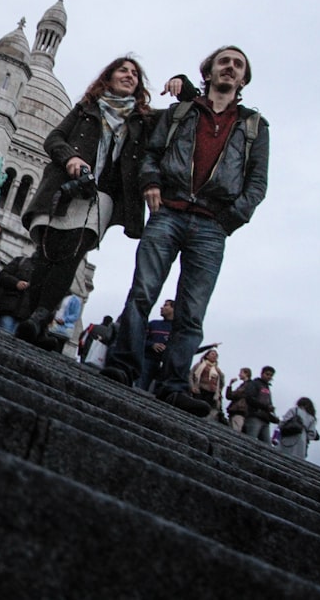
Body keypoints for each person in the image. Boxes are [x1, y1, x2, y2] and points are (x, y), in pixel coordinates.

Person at [101, 46, 269, 416]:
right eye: (223, 62)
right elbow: (151, 153)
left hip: (212, 226)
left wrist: (229, 220)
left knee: (191, 312)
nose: (230, 68)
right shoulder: (182, 111)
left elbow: (257, 184)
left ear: (243, 80)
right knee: (143, 293)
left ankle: (174, 385)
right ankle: (124, 365)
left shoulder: (255, 126)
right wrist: (150, 183)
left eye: (238, 65)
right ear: (208, 72)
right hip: (168, 212)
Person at [16, 57, 163, 347]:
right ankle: (34, 321)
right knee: (46, 254)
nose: (130, 75)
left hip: (102, 196)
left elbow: (177, 117)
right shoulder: (85, 109)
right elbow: (54, 138)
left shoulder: (144, 120)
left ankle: (39, 318)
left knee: (71, 254)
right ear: (108, 78)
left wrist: (182, 85)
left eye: (135, 74)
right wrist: (70, 157)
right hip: (65, 187)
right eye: (123, 70)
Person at [134, 299, 174, 392]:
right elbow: (140, 339)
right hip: (148, 360)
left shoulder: (179, 330)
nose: (162, 307)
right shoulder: (153, 324)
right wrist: (152, 345)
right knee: (140, 387)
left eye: (166, 305)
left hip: (166, 365)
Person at [0, 255, 34, 334]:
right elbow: (2, 275)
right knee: (3, 336)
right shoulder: (21, 260)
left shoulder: (47, 272)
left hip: (27, 316)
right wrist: (16, 283)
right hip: (9, 308)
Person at [241, 366, 279, 443]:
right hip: (254, 416)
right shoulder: (254, 383)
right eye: (267, 374)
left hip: (265, 418)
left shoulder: (267, 388)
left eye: (271, 375)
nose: (269, 377)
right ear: (262, 374)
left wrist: (272, 416)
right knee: (251, 440)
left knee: (267, 444)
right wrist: (266, 407)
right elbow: (250, 398)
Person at [189, 348, 225, 422]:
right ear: (207, 356)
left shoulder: (217, 369)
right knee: (197, 407)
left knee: (208, 410)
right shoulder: (199, 365)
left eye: (216, 355)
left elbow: (221, 382)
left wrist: (218, 391)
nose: (214, 356)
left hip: (211, 393)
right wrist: (192, 386)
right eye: (212, 354)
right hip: (200, 390)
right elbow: (191, 375)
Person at [224, 367, 252, 432]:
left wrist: (230, 386)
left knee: (235, 430)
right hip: (235, 411)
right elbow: (229, 396)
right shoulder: (243, 385)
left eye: (241, 373)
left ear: (246, 374)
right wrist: (230, 385)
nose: (239, 374)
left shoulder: (248, 385)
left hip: (239, 411)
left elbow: (233, 395)